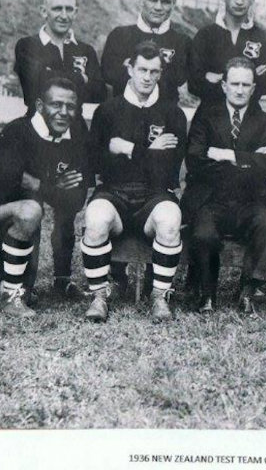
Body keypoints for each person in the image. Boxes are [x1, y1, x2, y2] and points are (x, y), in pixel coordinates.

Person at [82, 41, 187, 322]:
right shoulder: (107, 110)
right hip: (113, 191)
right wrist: (151, 150)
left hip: (154, 194)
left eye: (154, 71)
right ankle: (99, 296)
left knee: (170, 218)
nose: (147, 77)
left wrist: (126, 149)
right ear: (130, 68)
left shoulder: (173, 114)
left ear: (161, 74)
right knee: (95, 218)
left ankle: (160, 297)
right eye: (142, 69)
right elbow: (95, 163)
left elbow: (167, 169)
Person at [0, 77, 91, 316]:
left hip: (28, 208)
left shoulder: (76, 136)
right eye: (56, 104)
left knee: (28, 291)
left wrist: (38, 184)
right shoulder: (18, 131)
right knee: (30, 211)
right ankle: (10, 300)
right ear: (39, 106)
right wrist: (53, 186)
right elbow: (8, 186)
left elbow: (76, 199)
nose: (64, 112)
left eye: (70, 106)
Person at [182, 57, 266, 314]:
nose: (239, 89)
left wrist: (227, 155)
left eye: (246, 84)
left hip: (251, 199)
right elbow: (195, 159)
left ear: (254, 88)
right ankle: (206, 293)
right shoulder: (205, 117)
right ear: (223, 85)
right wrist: (250, 159)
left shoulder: (265, 120)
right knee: (203, 233)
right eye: (234, 83)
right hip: (212, 198)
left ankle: (248, 290)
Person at [188, 0, 266, 109]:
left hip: (249, 119)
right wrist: (251, 76)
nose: (240, 1)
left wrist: (216, 78)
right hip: (209, 117)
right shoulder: (205, 35)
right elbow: (193, 85)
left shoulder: (265, 39)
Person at [101, 0, 191, 103]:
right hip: (124, 115)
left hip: (164, 117)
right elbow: (108, 75)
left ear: (174, 3)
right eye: (152, 0)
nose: (158, 7)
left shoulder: (182, 42)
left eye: (165, 2)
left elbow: (179, 79)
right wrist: (162, 69)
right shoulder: (119, 35)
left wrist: (131, 66)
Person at [14, 0, 106, 111]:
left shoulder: (87, 50)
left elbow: (99, 93)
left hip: (75, 128)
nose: (64, 16)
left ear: (75, 13)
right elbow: (32, 89)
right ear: (43, 11)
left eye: (69, 9)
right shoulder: (26, 46)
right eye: (57, 9)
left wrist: (49, 75)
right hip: (37, 127)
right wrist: (80, 79)